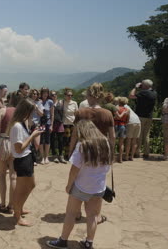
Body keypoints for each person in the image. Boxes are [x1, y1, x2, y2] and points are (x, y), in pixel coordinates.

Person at [46, 120, 113, 249]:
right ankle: (89, 242)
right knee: (93, 215)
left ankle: (63, 241)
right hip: (99, 186)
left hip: (81, 186)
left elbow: (74, 170)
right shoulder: (106, 143)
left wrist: (68, 185)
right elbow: (108, 167)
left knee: (71, 213)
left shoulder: (82, 145)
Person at [68, 82, 114, 224]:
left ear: (89, 95)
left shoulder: (81, 113)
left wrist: (70, 152)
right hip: (102, 151)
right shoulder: (107, 113)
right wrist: (112, 154)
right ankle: (95, 215)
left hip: (83, 150)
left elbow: (75, 135)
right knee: (98, 180)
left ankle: (77, 212)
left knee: (78, 180)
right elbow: (112, 136)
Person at [8, 98, 44, 226]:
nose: (32, 114)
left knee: (31, 185)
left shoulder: (22, 123)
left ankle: (20, 208)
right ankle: (17, 216)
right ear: (25, 111)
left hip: (27, 158)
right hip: (22, 160)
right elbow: (19, 149)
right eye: (31, 111)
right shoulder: (17, 126)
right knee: (20, 189)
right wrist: (33, 136)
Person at [0, 91, 23, 214]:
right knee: (13, 177)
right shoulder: (20, 114)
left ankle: (3, 204)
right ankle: (11, 206)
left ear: (8, 100)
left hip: (2, 143)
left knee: (2, 175)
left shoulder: (2, 111)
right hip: (14, 144)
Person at [129, 79, 157, 158]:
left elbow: (131, 95)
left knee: (139, 135)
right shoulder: (154, 93)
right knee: (146, 135)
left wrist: (135, 87)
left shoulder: (143, 93)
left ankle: (137, 152)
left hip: (141, 116)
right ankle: (146, 152)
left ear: (145, 86)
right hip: (149, 117)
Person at [39, 87, 54, 164]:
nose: (45, 94)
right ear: (41, 93)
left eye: (46, 93)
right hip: (40, 123)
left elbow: (52, 114)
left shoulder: (50, 102)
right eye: (43, 92)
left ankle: (46, 157)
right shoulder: (39, 101)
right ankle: (42, 157)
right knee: (41, 140)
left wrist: (51, 125)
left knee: (47, 140)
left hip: (47, 123)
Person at [51, 90, 66, 163]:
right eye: (52, 95)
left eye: (54, 95)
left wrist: (62, 121)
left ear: (56, 95)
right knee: (53, 140)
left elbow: (63, 113)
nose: (53, 96)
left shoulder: (61, 103)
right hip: (52, 124)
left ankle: (61, 155)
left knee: (60, 140)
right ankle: (54, 155)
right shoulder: (50, 103)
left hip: (59, 123)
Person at [62, 89, 78, 161]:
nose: (70, 96)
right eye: (68, 95)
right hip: (65, 124)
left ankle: (72, 155)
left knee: (74, 140)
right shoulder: (62, 102)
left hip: (73, 123)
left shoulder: (74, 103)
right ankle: (67, 155)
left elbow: (76, 113)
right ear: (65, 95)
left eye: (71, 95)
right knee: (66, 140)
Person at [114, 97, 129, 163]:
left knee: (113, 142)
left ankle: (112, 158)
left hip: (116, 125)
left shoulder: (116, 108)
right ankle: (120, 159)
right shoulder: (127, 110)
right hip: (123, 125)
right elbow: (127, 120)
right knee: (121, 143)